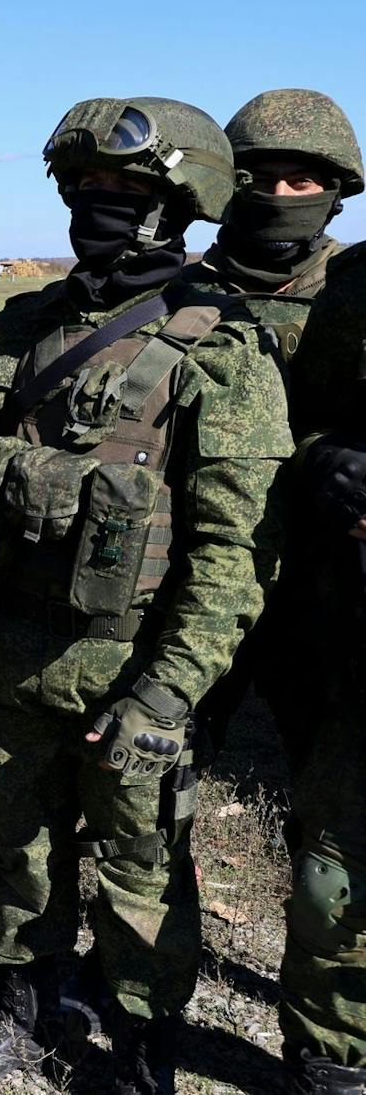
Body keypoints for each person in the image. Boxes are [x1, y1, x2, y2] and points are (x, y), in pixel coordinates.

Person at [0, 98, 291, 1094]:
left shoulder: (216, 348)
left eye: (125, 191)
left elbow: (233, 553)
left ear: (178, 204)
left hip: (129, 666)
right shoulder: (23, 323)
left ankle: (138, 1053)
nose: (96, 206)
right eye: (82, 187)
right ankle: (19, 1013)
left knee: (138, 873)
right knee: (14, 850)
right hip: (3, 651)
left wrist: (166, 693)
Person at [183, 90, 362, 777]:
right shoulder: (175, 293)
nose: (279, 194)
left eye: (302, 180)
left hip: (323, 581)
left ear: (336, 191)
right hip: (197, 573)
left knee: (327, 803)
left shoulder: (353, 293)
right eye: (258, 178)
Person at [265, 199, 366, 1095]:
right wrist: (324, 455)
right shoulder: (358, 289)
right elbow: (300, 419)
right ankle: (333, 1053)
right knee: (337, 866)